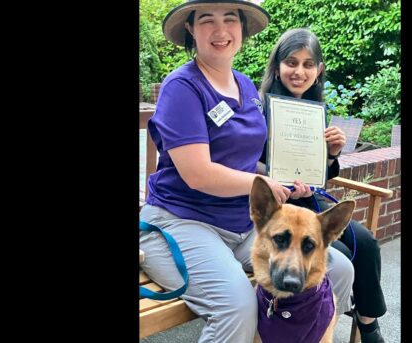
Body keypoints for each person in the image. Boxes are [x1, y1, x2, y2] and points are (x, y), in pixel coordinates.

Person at [139, 2, 355, 342]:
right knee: (236, 306)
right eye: (207, 20)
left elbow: (245, 162)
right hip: (181, 221)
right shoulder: (182, 86)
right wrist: (265, 184)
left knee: (339, 270)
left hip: (241, 224)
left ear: (242, 29)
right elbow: (199, 174)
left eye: (230, 19)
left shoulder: (244, 85)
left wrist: (287, 179)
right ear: (191, 30)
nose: (221, 30)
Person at [258, 28, 387, 343]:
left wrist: (331, 154)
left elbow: (321, 176)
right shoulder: (259, 110)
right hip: (277, 210)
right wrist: (276, 182)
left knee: (366, 242)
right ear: (277, 67)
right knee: (335, 252)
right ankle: (318, 323)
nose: (299, 71)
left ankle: (367, 321)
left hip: (309, 206)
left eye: (308, 64)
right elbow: (248, 165)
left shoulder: (317, 111)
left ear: (318, 71)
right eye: (291, 62)